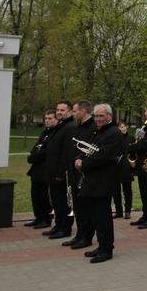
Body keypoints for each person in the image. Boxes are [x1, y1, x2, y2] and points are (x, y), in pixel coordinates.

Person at [75, 103, 125, 263]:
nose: (97, 119)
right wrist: (79, 159)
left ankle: (107, 249)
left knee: (103, 217)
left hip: (104, 181)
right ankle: (101, 245)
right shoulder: (97, 131)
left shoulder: (114, 133)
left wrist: (85, 164)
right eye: (96, 116)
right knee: (96, 216)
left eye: (101, 116)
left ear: (109, 116)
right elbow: (89, 149)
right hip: (93, 180)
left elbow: (104, 155)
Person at [63, 100, 97, 250]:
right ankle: (79, 235)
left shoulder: (93, 127)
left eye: (75, 111)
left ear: (83, 111)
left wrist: (80, 160)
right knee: (78, 207)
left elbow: (91, 148)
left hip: (84, 173)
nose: (74, 113)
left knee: (86, 207)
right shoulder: (78, 126)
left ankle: (87, 237)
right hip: (74, 171)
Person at [43, 100, 76, 239]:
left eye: (62, 110)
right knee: (56, 201)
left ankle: (65, 228)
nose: (59, 112)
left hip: (61, 173)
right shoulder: (60, 126)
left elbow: (67, 153)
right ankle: (58, 225)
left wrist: (61, 173)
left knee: (63, 202)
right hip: (53, 171)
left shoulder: (70, 127)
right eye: (57, 110)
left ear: (69, 111)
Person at [25, 109, 57, 229]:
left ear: (56, 120)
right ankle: (38, 217)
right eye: (46, 119)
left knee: (44, 196)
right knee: (35, 195)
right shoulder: (44, 132)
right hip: (37, 169)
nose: (47, 121)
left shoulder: (55, 133)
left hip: (46, 169)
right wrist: (32, 155)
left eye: (50, 118)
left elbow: (46, 152)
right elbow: (37, 147)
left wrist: (34, 156)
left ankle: (46, 219)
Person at [112, 120, 133, 219]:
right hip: (116, 167)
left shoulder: (131, 138)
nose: (123, 128)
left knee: (127, 190)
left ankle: (128, 211)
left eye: (124, 126)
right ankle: (118, 211)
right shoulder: (115, 139)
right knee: (116, 191)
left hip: (127, 168)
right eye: (121, 127)